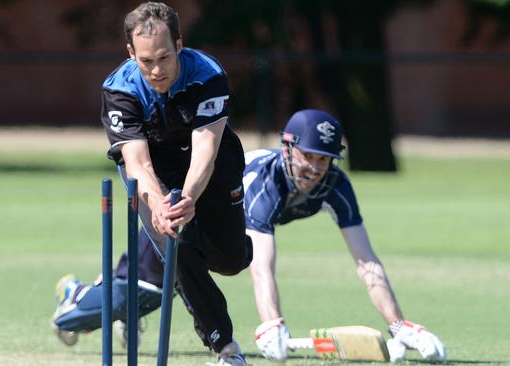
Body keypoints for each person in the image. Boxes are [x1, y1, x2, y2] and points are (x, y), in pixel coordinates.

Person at [53, 108, 447, 363]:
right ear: (287, 148)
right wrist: (272, 322)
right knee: (137, 295)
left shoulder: (335, 186)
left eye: (323, 159)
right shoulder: (264, 182)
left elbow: (366, 261)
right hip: (180, 220)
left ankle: (125, 315)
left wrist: (399, 324)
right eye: (307, 155)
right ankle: (74, 296)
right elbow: (261, 265)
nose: (314, 168)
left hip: (218, 237)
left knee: (164, 295)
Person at [52, 2, 253, 365]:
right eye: (146, 61)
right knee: (178, 244)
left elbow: (206, 148)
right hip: (153, 172)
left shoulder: (206, 74)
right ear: (131, 53)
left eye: (164, 57)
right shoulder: (120, 90)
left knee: (231, 260)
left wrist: (189, 196)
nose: (157, 70)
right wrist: (162, 205)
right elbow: (138, 163)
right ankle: (225, 347)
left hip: (210, 160)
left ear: (179, 44)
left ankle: (99, 287)